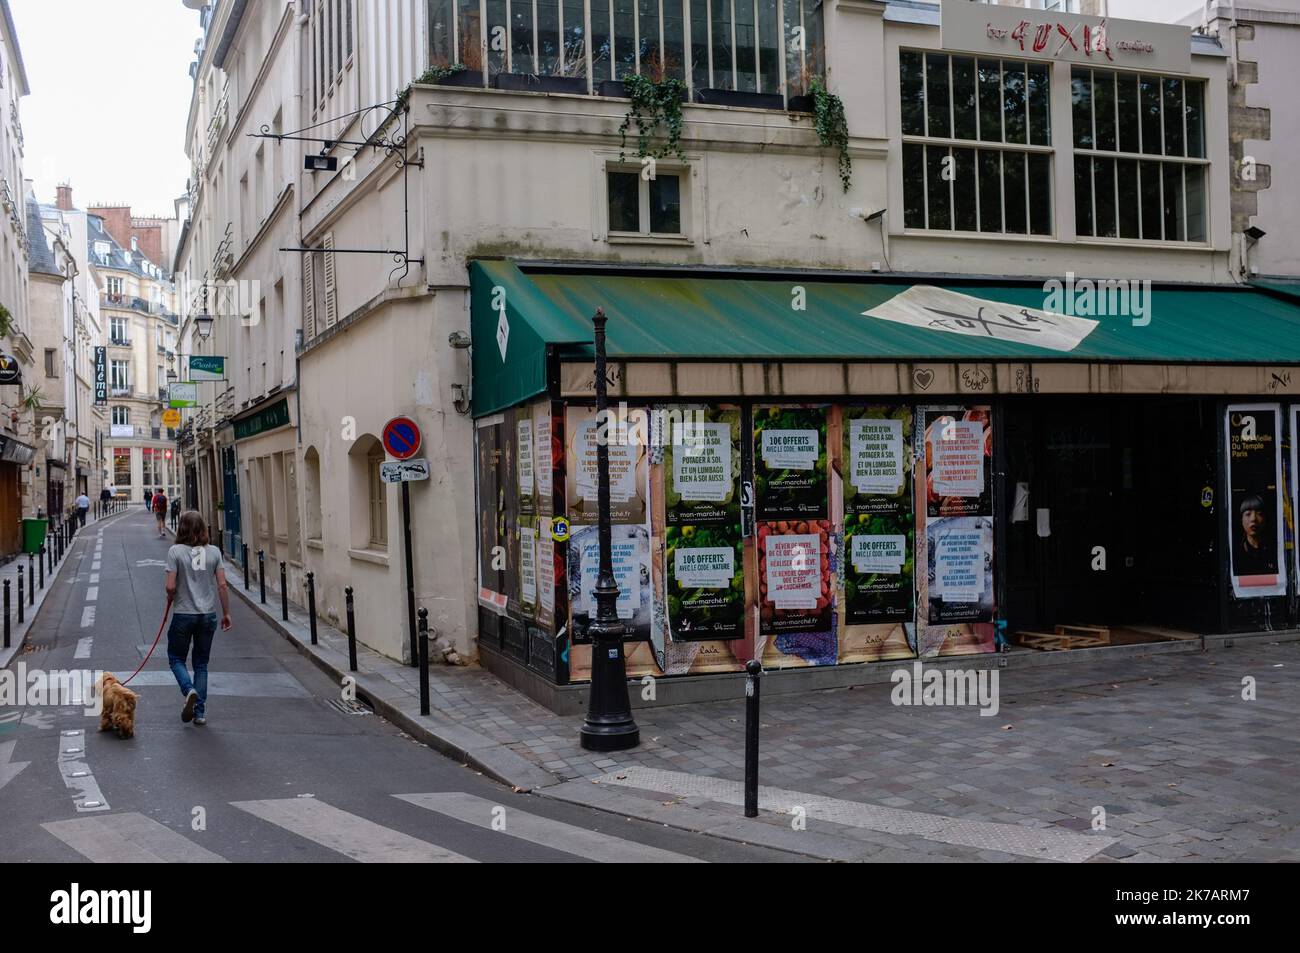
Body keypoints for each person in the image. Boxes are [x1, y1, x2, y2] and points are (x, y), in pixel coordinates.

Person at [165, 511, 232, 727]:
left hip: (184, 614)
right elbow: (222, 585)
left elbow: (170, 585)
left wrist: (170, 596)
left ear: (182, 527)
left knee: (176, 658)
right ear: (203, 528)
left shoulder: (175, 551)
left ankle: (188, 689)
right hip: (207, 615)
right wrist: (227, 613)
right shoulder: (214, 552)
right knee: (201, 664)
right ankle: (199, 712)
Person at [1235, 493, 1277, 576]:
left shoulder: (1274, 551)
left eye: (1259, 513)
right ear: (1241, 520)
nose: (1253, 518)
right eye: (1248, 514)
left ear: (1265, 519)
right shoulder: (1236, 554)